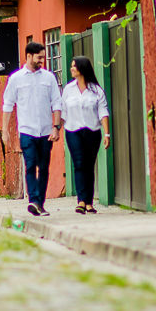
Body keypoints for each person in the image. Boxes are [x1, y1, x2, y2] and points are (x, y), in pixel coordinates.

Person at [1, 41, 62, 216]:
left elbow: (56, 103)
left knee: (43, 167)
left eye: (43, 57)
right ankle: (33, 200)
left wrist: (56, 127)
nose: (42, 60)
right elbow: (8, 105)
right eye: (39, 57)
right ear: (29, 56)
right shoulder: (16, 79)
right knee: (30, 165)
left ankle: (40, 203)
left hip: (45, 131)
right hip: (26, 130)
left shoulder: (49, 78)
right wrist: (5, 130)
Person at [60, 55, 110, 214]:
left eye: (74, 66)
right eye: (71, 66)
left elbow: (103, 112)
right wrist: (56, 129)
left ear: (82, 68)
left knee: (89, 165)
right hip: (73, 131)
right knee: (79, 164)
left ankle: (89, 202)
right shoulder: (68, 89)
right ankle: (81, 201)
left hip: (92, 132)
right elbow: (63, 111)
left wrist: (107, 134)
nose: (71, 69)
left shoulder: (96, 90)